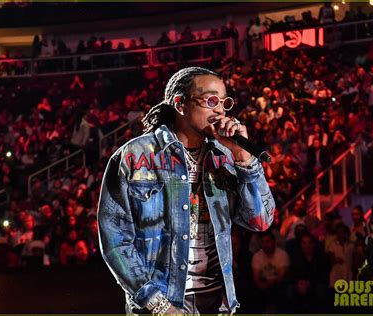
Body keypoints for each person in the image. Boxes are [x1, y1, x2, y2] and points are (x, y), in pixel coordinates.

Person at [98, 67, 275, 314]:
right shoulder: (134, 157)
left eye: (225, 102)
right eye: (211, 100)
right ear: (180, 104)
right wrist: (158, 305)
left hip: (216, 303)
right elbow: (115, 241)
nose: (220, 110)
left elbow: (261, 221)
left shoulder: (225, 157)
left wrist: (244, 159)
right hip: (161, 304)